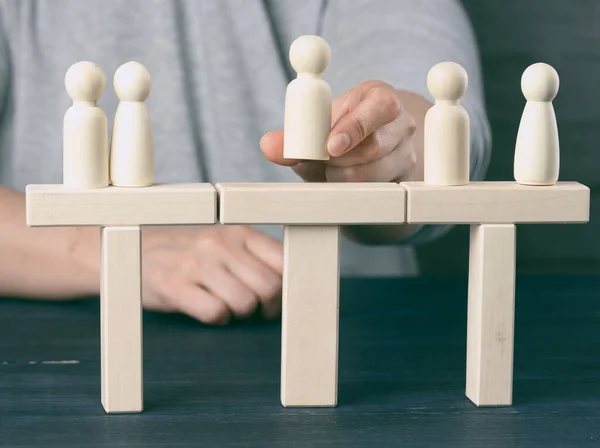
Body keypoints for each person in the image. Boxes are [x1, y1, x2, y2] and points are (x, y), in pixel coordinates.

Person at [0, 0, 491, 324]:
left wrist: (389, 154)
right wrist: (116, 252)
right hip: (61, 332)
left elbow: (422, 100)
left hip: (356, 323)